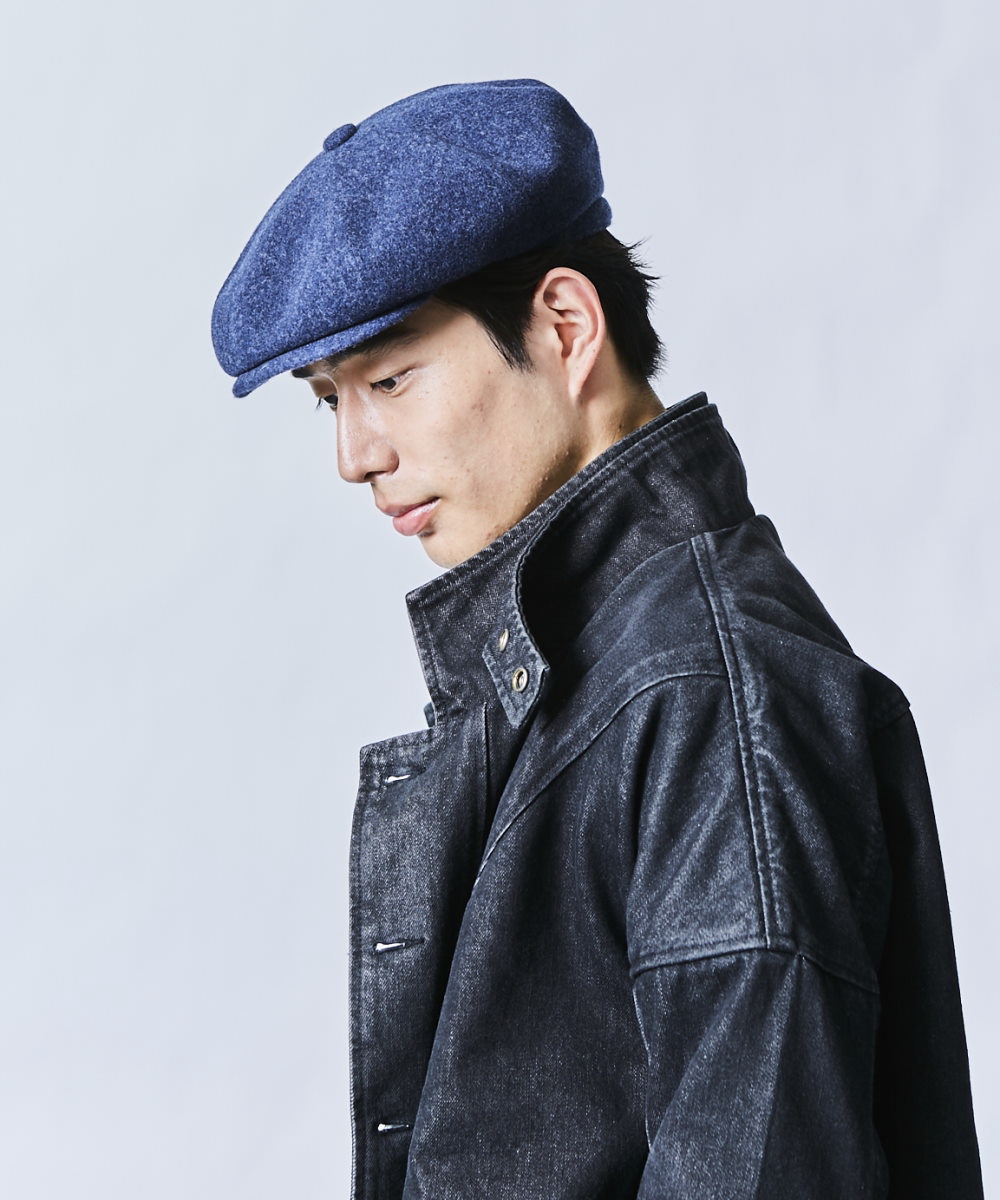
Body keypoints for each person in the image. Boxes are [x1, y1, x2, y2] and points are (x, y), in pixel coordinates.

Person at [212, 79, 982, 1199]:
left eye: (390, 379)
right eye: (330, 398)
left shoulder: (711, 696)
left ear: (565, 327)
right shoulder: (589, 664)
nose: (354, 454)